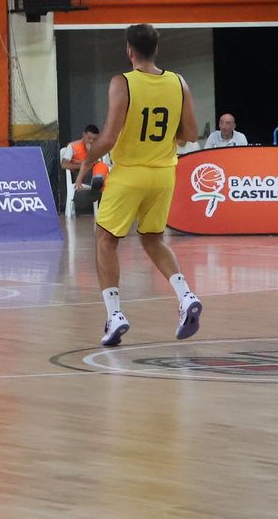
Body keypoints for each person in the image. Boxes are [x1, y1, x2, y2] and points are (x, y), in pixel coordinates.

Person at [76, 24, 203, 348]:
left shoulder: (123, 82)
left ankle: (115, 314)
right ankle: (185, 296)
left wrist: (88, 161)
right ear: (155, 50)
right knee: (153, 239)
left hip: (130, 173)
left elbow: (108, 136)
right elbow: (190, 134)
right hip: (163, 174)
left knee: (105, 239)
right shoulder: (178, 82)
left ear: (129, 50)